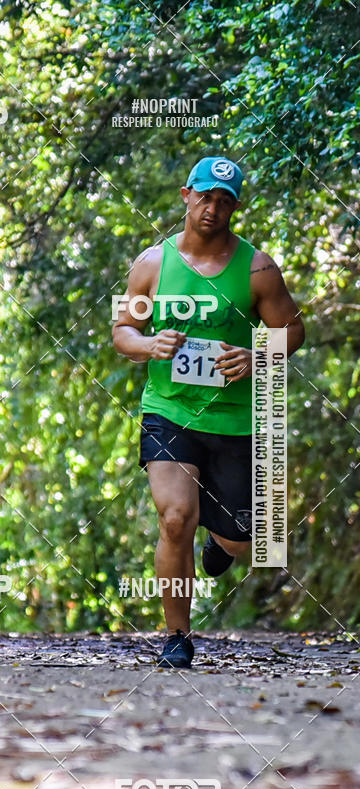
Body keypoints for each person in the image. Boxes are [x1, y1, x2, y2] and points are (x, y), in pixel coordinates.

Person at [113, 156, 305, 669]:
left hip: (239, 421)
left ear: (234, 207)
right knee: (175, 518)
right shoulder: (151, 263)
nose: (213, 208)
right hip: (170, 412)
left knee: (242, 543)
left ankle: (221, 546)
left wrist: (257, 353)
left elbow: (293, 329)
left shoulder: (258, 268)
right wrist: (148, 343)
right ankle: (176, 636)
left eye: (225, 200)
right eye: (205, 196)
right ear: (186, 195)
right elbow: (121, 333)